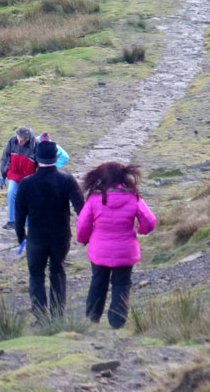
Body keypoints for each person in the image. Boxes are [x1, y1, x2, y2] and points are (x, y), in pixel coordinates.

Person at [76, 162, 157, 329]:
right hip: (125, 251)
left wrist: (83, 239)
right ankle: (117, 323)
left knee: (98, 282)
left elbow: (83, 224)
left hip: (99, 250)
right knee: (121, 285)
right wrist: (140, 230)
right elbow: (149, 222)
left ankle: (92, 319)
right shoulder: (133, 197)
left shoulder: (94, 198)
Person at [14, 140, 84, 317]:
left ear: (36, 158)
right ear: (56, 157)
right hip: (60, 237)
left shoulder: (26, 183)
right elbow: (81, 209)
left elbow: (19, 215)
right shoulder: (67, 180)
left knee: (36, 275)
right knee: (58, 271)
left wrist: (21, 236)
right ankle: (58, 315)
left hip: (36, 238)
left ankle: (39, 315)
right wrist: (85, 233)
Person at [0, 126, 37, 230]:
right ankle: (12, 221)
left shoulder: (36, 146)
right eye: (18, 138)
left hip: (29, 177)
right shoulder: (12, 141)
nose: (19, 141)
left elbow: (39, 164)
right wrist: (3, 173)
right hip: (14, 174)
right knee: (11, 193)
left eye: (22, 140)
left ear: (27, 139)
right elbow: (5, 157)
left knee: (28, 199)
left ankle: (29, 223)